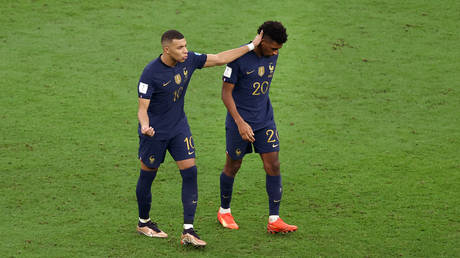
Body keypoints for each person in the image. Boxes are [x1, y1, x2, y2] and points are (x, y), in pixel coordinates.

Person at [135, 29, 262, 247]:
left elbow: (220, 58)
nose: (185, 50)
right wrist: (145, 127)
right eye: (180, 47)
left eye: (185, 46)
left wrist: (251, 45)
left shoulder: (189, 60)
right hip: (155, 133)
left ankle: (188, 231)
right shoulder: (150, 73)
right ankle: (144, 222)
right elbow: (142, 109)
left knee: (190, 172)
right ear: (167, 50)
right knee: (148, 175)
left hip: (178, 128)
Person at [217, 21, 297, 234]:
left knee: (274, 165)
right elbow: (226, 94)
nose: (275, 53)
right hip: (238, 122)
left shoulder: (273, 54)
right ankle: (224, 211)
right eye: (272, 48)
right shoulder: (238, 59)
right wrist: (240, 122)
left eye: (278, 49)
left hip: (264, 121)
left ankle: (274, 219)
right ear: (261, 40)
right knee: (233, 166)